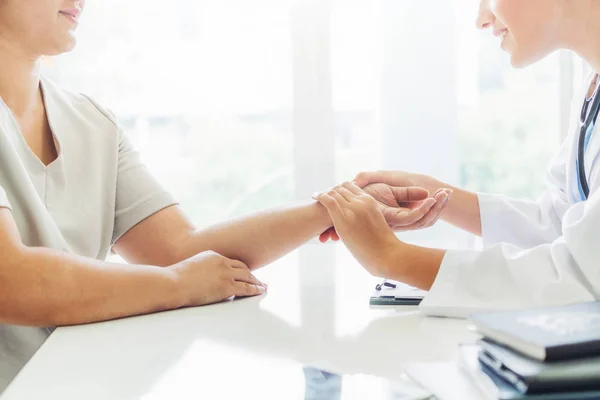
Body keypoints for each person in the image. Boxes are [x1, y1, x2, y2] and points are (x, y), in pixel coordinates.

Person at [0, 0, 453, 392]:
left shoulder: (92, 122)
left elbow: (179, 251)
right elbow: (11, 281)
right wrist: (177, 285)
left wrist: (339, 206)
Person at [315, 0, 600, 318]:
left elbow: (578, 277)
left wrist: (391, 257)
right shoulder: (592, 83)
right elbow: (562, 227)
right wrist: (434, 194)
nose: (481, 19)